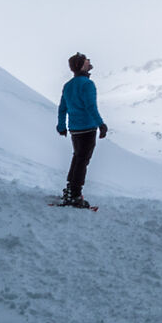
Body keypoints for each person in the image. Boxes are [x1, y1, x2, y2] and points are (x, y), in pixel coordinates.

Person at [55, 52, 107, 208]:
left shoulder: (68, 85)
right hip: (87, 128)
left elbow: (62, 108)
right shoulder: (87, 84)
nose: (89, 61)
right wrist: (101, 124)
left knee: (77, 158)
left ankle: (70, 190)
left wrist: (61, 126)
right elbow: (91, 107)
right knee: (82, 161)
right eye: (86, 60)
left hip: (74, 129)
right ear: (81, 65)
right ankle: (75, 195)